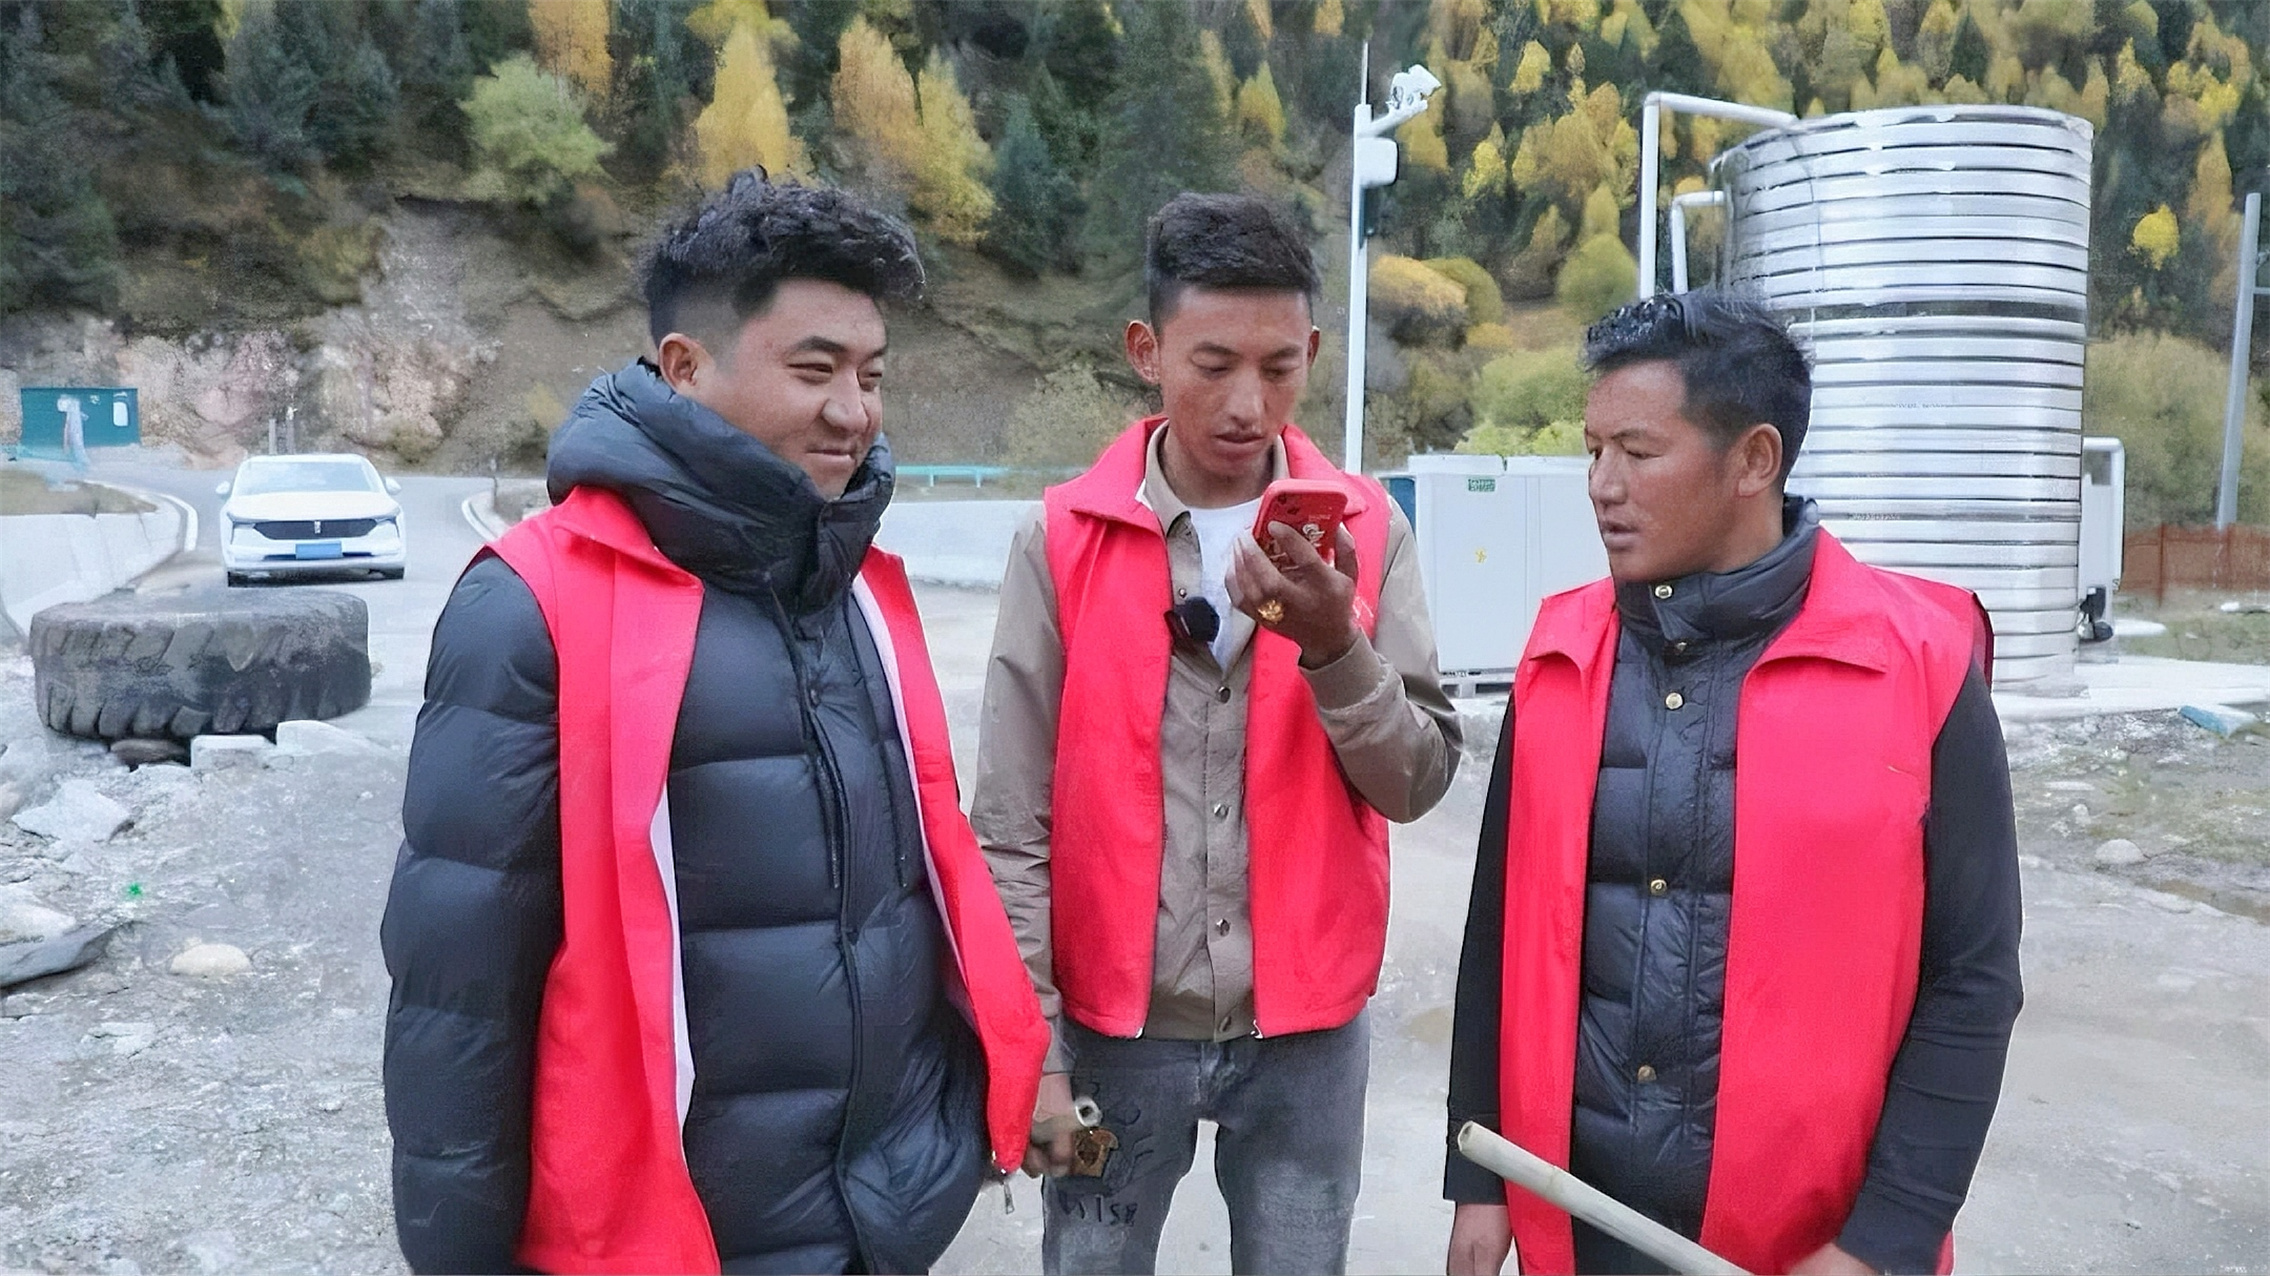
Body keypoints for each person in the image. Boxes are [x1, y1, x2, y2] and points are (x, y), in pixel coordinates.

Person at [380, 171, 1047, 1276]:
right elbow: (460, 996)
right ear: (685, 366)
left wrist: (950, 1123)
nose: (854, 411)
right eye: (814, 370)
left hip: (888, 1214)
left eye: (872, 375)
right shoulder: (534, 604)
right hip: (680, 1236)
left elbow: (916, 886)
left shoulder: (857, 581)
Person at [1443, 290, 2023, 1276]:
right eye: (1592, 450)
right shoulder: (1558, 650)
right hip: (1573, 1221)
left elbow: (1972, 979)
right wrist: (1480, 1173)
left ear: (1754, 460)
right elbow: (1497, 927)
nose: (1601, 485)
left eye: (1637, 451)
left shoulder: (1920, 667)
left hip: (1804, 1246)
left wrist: (1881, 1242)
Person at [973, 192, 1463, 1276]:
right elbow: (1010, 825)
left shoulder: (1368, 530)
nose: (1249, 403)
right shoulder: (1059, 540)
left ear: (1313, 353)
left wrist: (1334, 645)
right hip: (1111, 1041)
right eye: (1212, 364)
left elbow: (1418, 780)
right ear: (1145, 350)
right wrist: (1035, 1054)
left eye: (1279, 367)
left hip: (1307, 1048)